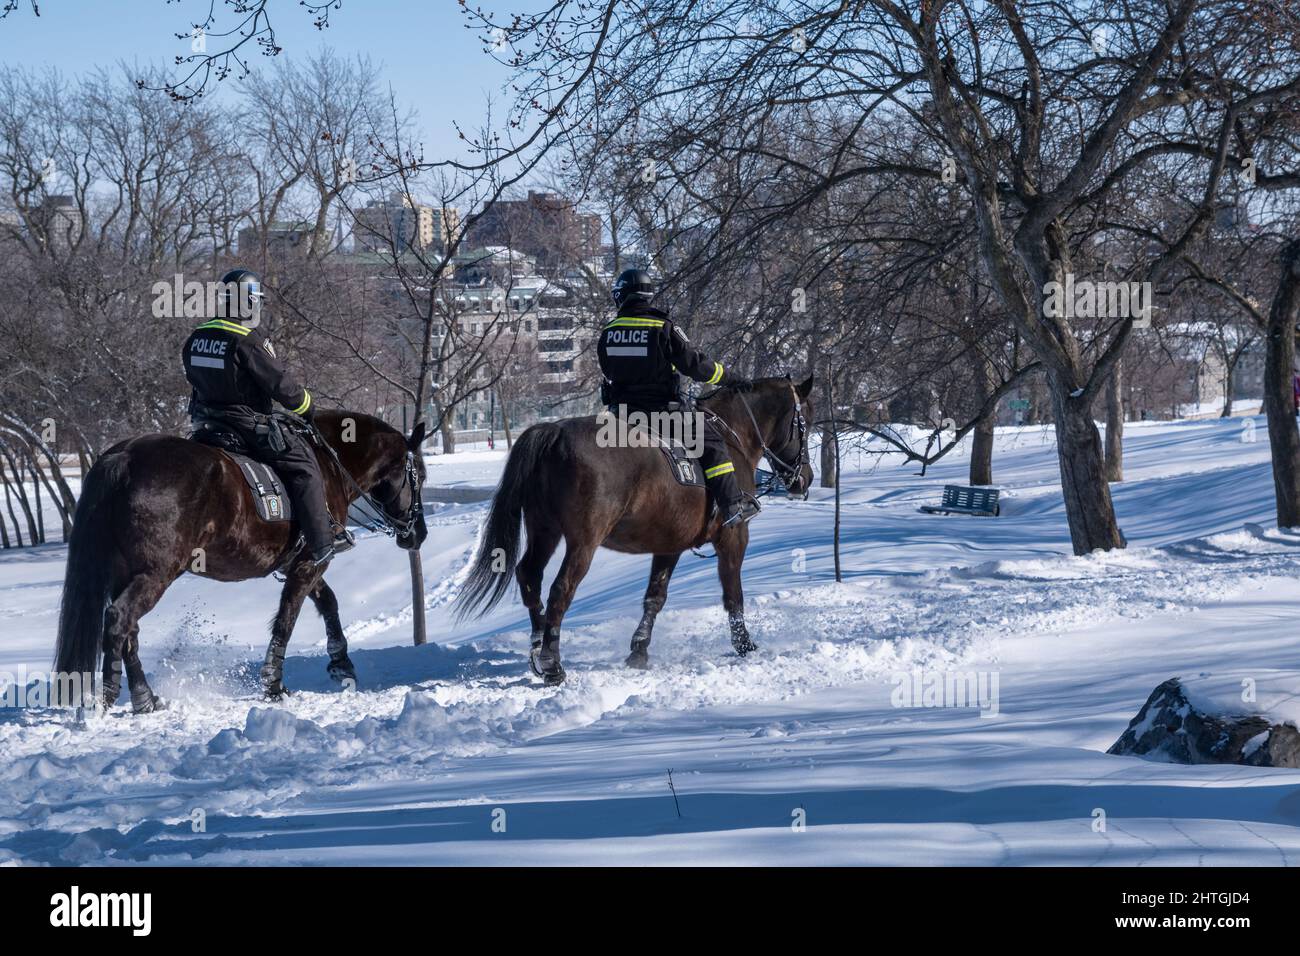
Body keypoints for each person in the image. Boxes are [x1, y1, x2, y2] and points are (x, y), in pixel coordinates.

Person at [181, 268, 352, 565]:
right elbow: (281, 386)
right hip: (244, 424)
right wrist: (310, 409)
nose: (258, 306)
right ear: (245, 302)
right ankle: (323, 542)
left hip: (204, 423)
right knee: (304, 465)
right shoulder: (246, 338)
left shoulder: (197, 336)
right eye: (256, 300)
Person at [596, 268, 760, 528]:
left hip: (622, 417)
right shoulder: (663, 326)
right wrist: (730, 378)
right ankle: (731, 506)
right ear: (647, 296)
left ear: (623, 296)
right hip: (663, 415)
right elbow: (696, 366)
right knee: (713, 441)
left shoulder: (609, 332)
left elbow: (609, 371)